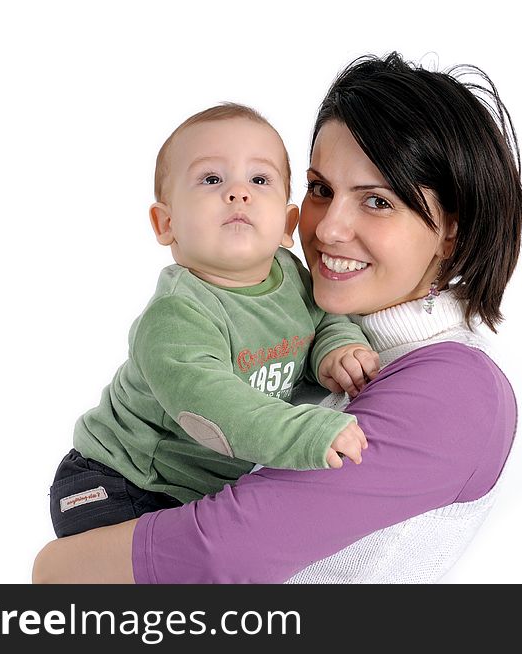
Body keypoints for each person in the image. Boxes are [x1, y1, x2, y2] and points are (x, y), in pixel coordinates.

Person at [33, 51, 522, 583]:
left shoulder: (456, 389)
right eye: (320, 190)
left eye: (378, 202)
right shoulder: (307, 323)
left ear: (452, 228)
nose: (328, 230)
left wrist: (53, 567)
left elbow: (218, 554)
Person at [48, 103, 380, 539]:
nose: (238, 192)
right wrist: (307, 433)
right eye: (211, 180)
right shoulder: (177, 315)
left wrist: (336, 349)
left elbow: (323, 320)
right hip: (123, 481)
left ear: (286, 222)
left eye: (259, 180)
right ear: (167, 223)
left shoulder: (291, 274)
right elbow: (218, 408)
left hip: (198, 487)